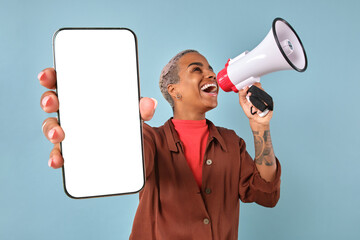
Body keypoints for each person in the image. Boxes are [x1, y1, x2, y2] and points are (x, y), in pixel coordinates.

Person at [39, 49, 281, 240]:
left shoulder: (231, 143)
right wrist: (103, 128)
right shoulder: (149, 138)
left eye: (210, 69)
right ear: (173, 90)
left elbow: (266, 194)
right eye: (197, 70)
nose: (210, 74)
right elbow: (129, 166)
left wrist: (260, 125)